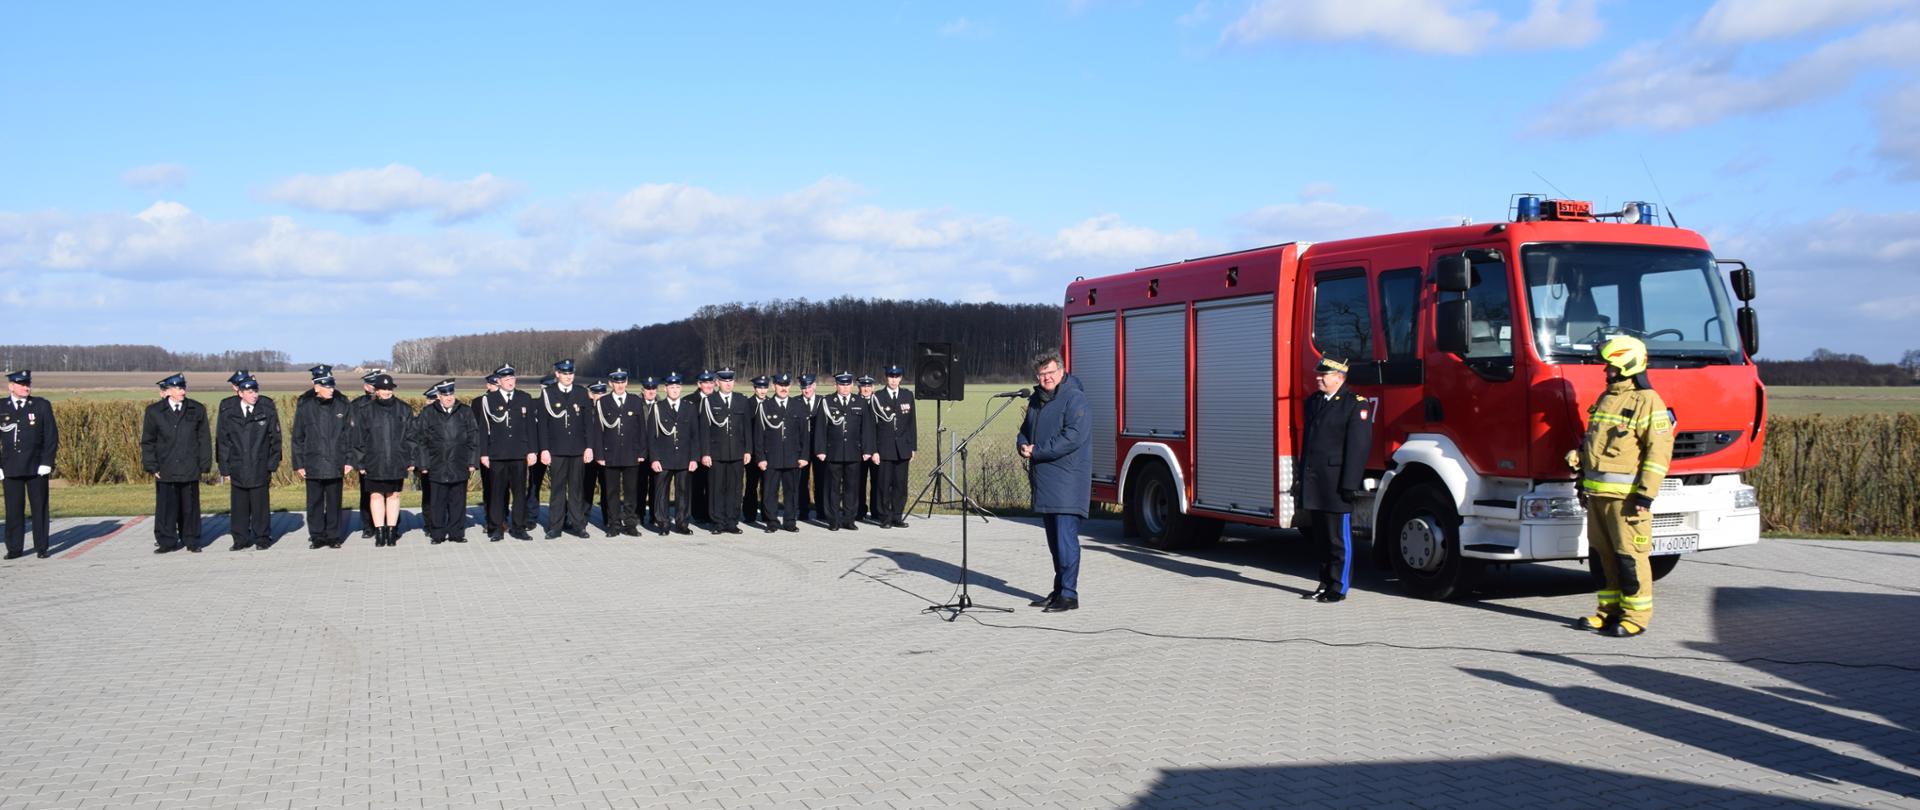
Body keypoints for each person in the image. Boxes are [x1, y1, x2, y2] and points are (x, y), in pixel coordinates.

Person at [1570, 335, 1675, 638]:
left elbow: (1659, 452)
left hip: (1627, 500)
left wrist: (1645, 494)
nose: (1606, 371)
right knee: (1602, 558)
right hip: (1597, 495)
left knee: (1629, 558)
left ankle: (1636, 617)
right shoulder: (1607, 397)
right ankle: (1607, 612)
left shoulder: (1647, 401)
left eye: (1611, 366)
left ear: (1627, 364)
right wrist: (1578, 459)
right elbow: (1597, 445)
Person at [1018, 350, 1090, 613]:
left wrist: (1037, 450)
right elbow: (1025, 430)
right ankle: (1060, 588)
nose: (1046, 377)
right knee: (1054, 543)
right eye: (1041, 374)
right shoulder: (1037, 400)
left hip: (1067, 482)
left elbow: (1072, 437)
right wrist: (1023, 444)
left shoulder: (1075, 398)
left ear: (1061, 371)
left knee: (1065, 541)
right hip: (1045, 481)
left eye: (1050, 372)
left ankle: (1069, 594)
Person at [1298, 357, 1372, 604]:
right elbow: (1308, 445)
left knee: (1338, 539)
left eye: (1324, 375)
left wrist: (1350, 484)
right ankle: (1324, 582)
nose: (1318, 378)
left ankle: (1339, 587)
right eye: (1318, 374)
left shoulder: (1354, 405)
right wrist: (1301, 477)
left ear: (1339, 377)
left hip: (1337, 482)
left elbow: (1357, 448)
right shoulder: (1314, 402)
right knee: (1321, 539)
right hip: (1316, 481)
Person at [141, 373, 212, 554]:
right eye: (179, 388)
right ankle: (166, 541)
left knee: (190, 507)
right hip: (166, 467)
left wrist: (204, 464)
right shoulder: (154, 411)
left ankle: (192, 540)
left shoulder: (196, 409)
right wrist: (152, 466)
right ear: (169, 390)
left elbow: (204, 439)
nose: (183, 391)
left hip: (189, 466)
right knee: (166, 507)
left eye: (184, 387)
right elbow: (148, 441)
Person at [216, 377, 280, 551]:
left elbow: (275, 439)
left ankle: (262, 538)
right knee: (239, 506)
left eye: (256, 391)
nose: (254, 395)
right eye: (250, 392)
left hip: (259, 465)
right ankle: (240, 539)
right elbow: (223, 441)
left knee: (260, 505)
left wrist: (272, 464)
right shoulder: (230, 412)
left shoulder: (266, 409)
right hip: (238, 466)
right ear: (240, 393)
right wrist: (224, 468)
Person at [350, 373, 414, 547]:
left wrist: (410, 459)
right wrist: (360, 462)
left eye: (389, 389)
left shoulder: (404, 409)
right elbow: (358, 439)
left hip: (396, 460)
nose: (387, 392)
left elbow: (411, 437)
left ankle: (391, 531)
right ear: (376, 391)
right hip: (374, 461)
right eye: (383, 389)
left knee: (394, 495)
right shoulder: (365, 411)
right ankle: (379, 531)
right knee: (376, 495)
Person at [412, 379, 479, 544]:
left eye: (451, 394)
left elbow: (474, 437)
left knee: (458, 501)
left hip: (459, 462)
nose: (449, 398)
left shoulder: (465, 411)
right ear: (438, 396)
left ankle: (456, 533)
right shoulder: (428, 413)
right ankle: (437, 534)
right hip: (437, 464)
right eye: (445, 395)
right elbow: (420, 440)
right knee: (437, 502)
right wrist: (423, 464)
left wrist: (472, 461)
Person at [292, 372, 354, 549]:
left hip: (336, 461)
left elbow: (349, 435)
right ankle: (317, 536)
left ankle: (334, 536)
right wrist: (299, 463)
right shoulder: (306, 407)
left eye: (332, 386)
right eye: (327, 387)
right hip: (313, 462)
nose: (331, 390)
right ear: (316, 388)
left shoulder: (342, 405)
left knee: (334, 501)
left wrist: (349, 460)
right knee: (314, 502)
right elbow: (298, 437)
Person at [2, 370, 59, 560]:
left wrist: (46, 462)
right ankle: (14, 548)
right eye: (21, 384)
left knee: (39, 508)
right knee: (13, 510)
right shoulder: (2, 406)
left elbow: (51, 437)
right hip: (10, 467)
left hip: (36, 467)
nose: (26, 387)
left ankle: (42, 547)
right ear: (11, 386)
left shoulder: (41, 405)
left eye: (28, 384)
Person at [478, 363, 538, 541]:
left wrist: (532, 451)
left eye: (512, 378)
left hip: (519, 454)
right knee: (496, 493)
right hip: (497, 454)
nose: (510, 382)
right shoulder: (489, 400)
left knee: (519, 493)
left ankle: (519, 527)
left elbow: (530, 428)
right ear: (499, 381)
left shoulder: (524, 397)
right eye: (506, 379)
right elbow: (484, 429)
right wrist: (484, 454)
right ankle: (496, 528)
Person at [539, 359, 594, 539]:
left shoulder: (581, 393)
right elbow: (543, 426)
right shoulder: (548, 393)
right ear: (557, 374)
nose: (568, 376)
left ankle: (578, 525)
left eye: (571, 373)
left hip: (578, 449)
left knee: (577, 490)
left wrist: (589, 447)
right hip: (556, 450)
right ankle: (555, 526)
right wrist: (545, 449)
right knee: (557, 489)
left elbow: (588, 423)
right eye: (565, 373)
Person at [814, 371, 875, 531]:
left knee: (852, 488)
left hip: (854, 452)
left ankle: (849, 519)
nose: (845, 387)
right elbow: (820, 428)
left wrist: (867, 449)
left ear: (852, 385)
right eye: (842, 384)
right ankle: (833, 520)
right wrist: (820, 449)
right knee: (832, 488)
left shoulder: (860, 401)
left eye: (848, 384)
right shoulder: (827, 401)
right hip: (832, 452)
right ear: (836, 385)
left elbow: (867, 428)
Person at [590, 372, 647, 537]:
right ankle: (613, 524)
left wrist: (642, 451)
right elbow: (598, 431)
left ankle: (630, 524)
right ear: (610, 384)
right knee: (611, 492)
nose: (620, 385)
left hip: (631, 453)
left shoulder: (635, 401)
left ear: (627, 382)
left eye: (623, 382)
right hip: (610, 454)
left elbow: (641, 429)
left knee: (631, 491)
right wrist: (599, 454)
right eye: (616, 382)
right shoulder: (603, 402)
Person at [754, 373, 810, 533]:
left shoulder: (798, 406)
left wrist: (804, 456)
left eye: (786, 385)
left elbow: (804, 435)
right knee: (770, 491)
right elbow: (758, 435)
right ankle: (772, 521)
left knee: (791, 491)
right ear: (774, 386)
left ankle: (790, 521)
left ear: (790, 387)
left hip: (793, 457)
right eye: (780, 385)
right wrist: (760, 458)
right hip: (772, 457)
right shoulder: (765, 407)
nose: (783, 388)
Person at [700, 368, 752, 534]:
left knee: (735, 489)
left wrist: (748, 450)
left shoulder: (741, 400)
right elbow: (705, 430)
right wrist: (705, 453)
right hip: (716, 453)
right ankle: (718, 522)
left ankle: (732, 521)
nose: (728, 384)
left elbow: (747, 429)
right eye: (724, 381)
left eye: (730, 381)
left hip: (737, 453)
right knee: (716, 488)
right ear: (717, 382)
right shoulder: (709, 401)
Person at [648, 372, 702, 535]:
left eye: (678, 387)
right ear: (665, 389)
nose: (675, 390)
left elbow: (695, 436)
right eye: (672, 387)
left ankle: (682, 523)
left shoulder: (689, 408)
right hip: (664, 457)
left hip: (684, 457)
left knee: (684, 492)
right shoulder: (657, 408)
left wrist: (694, 458)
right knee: (661, 492)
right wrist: (654, 458)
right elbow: (651, 436)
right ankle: (663, 523)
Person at [869, 364, 917, 528]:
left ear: (901, 378)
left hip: (902, 448)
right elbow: (871, 426)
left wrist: (913, 447)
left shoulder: (907, 395)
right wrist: (873, 450)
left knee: (900, 485)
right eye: (891, 376)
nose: (894, 380)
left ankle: (897, 516)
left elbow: (911, 424)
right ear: (886, 377)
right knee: (883, 485)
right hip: (884, 448)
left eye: (897, 377)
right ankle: (885, 517)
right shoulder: (878, 397)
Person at [351, 369, 383, 540]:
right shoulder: (356, 405)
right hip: (366, 457)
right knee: (366, 492)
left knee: (388, 492)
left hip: (385, 456)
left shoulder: (388, 403)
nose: (375, 388)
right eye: (372, 385)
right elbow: (354, 434)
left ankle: (389, 524)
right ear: (366, 386)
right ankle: (368, 525)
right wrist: (357, 460)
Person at [471, 373, 500, 529]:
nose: (497, 386)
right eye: (494, 384)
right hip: (487, 451)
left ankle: (502, 517)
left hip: (504, 450)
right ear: (488, 386)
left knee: (504, 487)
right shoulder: (478, 402)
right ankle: (490, 519)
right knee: (489, 486)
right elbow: (475, 429)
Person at [688, 370, 716, 524]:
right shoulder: (689, 401)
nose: (709, 385)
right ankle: (698, 514)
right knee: (697, 483)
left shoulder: (718, 399)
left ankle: (712, 513)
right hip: (696, 448)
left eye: (711, 382)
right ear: (699, 384)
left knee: (713, 483)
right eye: (705, 383)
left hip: (714, 448)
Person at [741, 375, 770, 526]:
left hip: (768, 452)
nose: (763, 390)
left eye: (765, 387)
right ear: (754, 388)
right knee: (752, 484)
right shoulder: (747, 404)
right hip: (751, 452)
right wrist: (748, 450)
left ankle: (766, 514)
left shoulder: (772, 403)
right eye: (760, 387)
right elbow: (745, 429)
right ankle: (749, 514)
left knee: (768, 484)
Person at [798, 374, 825, 521]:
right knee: (802, 481)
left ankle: (821, 511)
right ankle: (803, 511)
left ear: (814, 386)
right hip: (802, 449)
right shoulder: (795, 402)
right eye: (803, 387)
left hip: (819, 448)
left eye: (809, 387)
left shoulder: (823, 401)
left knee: (821, 480)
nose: (806, 390)